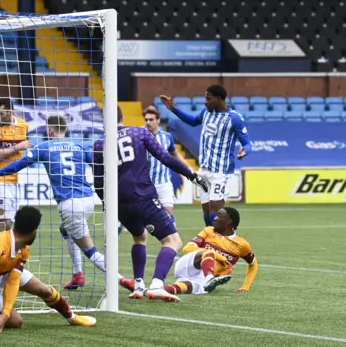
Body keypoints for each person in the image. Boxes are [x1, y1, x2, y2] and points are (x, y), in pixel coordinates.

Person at [0, 115, 128, 290]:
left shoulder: (44, 147)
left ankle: (122, 280)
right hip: (89, 200)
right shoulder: (80, 145)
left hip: (70, 204)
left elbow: (17, 165)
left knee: (90, 250)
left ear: (50, 130)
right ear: (65, 129)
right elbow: (99, 167)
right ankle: (77, 274)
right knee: (64, 230)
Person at [92, 107, 209, 302]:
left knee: (139, 237)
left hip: (119, 202)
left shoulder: (98, 144)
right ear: (123, 117)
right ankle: (156, 285)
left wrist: (108, 206)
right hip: (143, 195)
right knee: (173, 241)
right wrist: (192, 175)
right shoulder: (139, 133)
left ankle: (138, 285)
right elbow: (165, 157)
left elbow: (98, 183)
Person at [0, 206, 96, 333]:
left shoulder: (24, 248)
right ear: (34, 231)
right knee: (16, 322)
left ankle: (72, 317)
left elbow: (13, 281)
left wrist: (5, 313)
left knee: (44, 289)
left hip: (4, 270)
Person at [159, 85, 252, 227]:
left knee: (216, 210)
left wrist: (245, 151)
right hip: (204, 169)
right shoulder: (207, 112)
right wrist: (174, 109)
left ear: (219, 99)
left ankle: (222, 242)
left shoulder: (234, 118)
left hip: (220, 171)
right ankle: (212, 242)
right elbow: (193, 121)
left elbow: (247, 143)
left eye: (208, 98)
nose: (205, 101)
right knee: (207, 212)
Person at [161, 207, 258, 298]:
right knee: (209, 253)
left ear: (229, 221)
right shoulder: (208, 231)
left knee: (182, 288)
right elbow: (187, 249)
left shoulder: (242, 244)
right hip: (187, 265)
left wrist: (246, 286)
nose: (215, 218)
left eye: (219, 216)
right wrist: (218, 255)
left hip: (200, 279)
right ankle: (209, 278)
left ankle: (156, 290)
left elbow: (253, 264)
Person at [0, 98, 31, 233]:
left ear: (10, 112)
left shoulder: (23, 125)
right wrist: (18, 147)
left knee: (10, 223)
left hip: (14, 181)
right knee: (3, 224)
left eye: (0, 114)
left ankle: (3, 252)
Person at [143, 105, 191, 225]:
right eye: (146, 120)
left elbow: (175, 154)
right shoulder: (140, 136)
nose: (148, 122)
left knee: (169, 211)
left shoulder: (167, 137)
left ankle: (173, 239)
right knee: (139, 216)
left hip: (163, 183)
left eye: (151, 120)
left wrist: (187, 167)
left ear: (158, 120)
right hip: (144, 184)